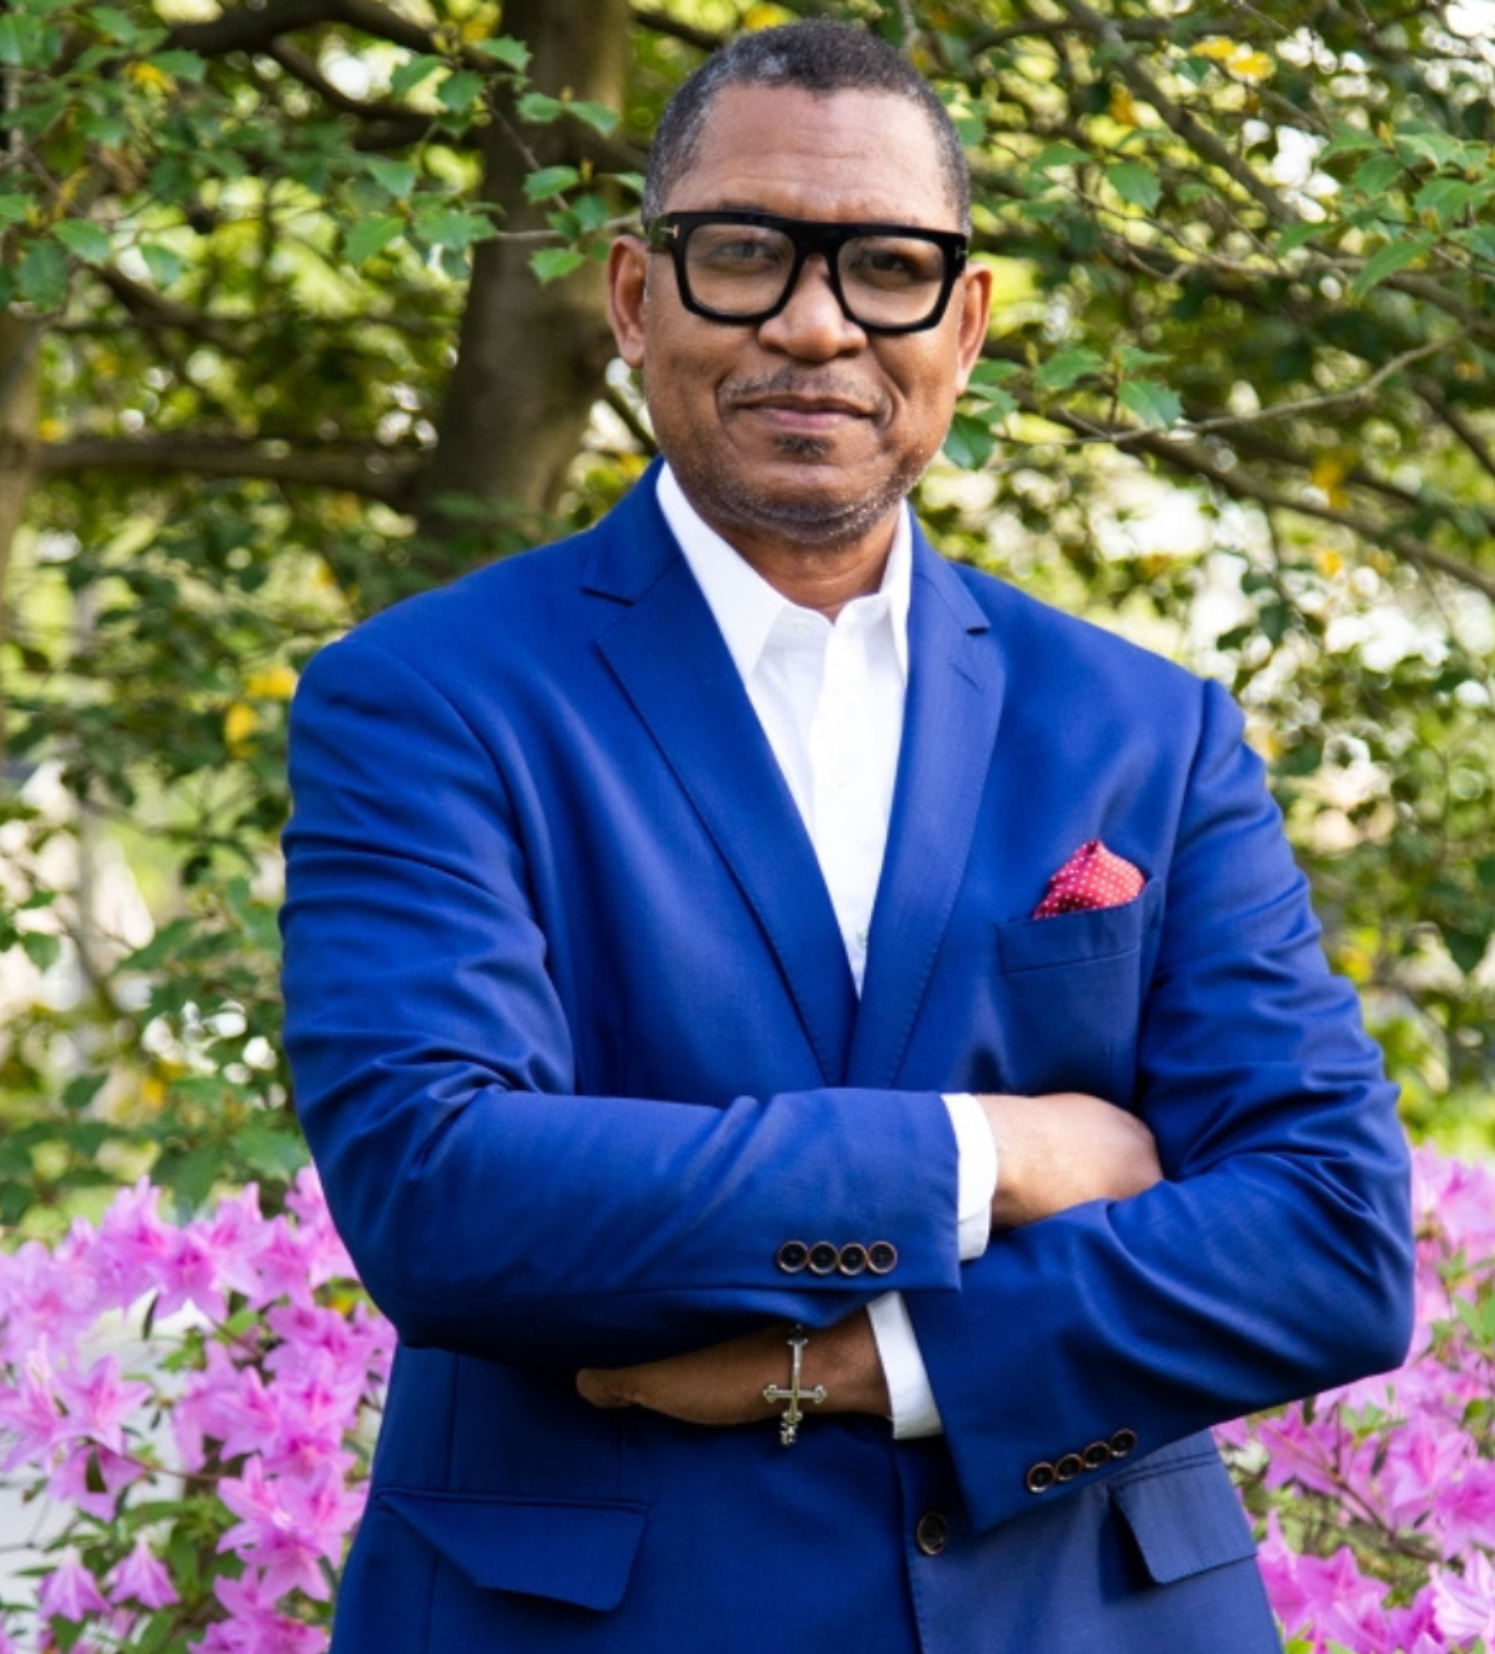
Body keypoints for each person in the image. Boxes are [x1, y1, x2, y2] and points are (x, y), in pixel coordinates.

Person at [280, 19, 1414, 1654]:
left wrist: (863, 1367)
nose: (813, 323)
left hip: (1080, 1613)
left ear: (961, 322)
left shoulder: (1144, 729)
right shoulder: (427, 699)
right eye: (743, 253)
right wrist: (993, 1155)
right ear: (631, 294)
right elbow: (446, 1194)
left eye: (883, 266)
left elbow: (1331, 1235)